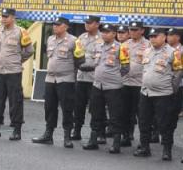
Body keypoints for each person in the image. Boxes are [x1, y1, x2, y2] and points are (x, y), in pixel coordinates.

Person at [33, 16, 81, 147]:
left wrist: (73, 76)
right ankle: (48, 134)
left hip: (65, 79)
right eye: (54, 24)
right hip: (50, 78)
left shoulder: (73, 41)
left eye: (58, 25)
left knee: (67, 108)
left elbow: (79, 61)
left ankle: (67, 136)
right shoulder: (50, 39)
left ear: (66, 26)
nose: (55, 26)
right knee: (49, 107)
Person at [0, 8, 33, 140]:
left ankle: (17, 129)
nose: (3, 19)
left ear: (13, 18)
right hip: (0, 71)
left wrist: (18, 60)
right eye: (2, 16)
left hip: (13, 72)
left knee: (15, 101)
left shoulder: (21, 32)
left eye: (6, 16)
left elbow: (29, 50)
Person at [136, 28, 183, 159]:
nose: (152, 38)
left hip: (163, 94)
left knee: (165, 123)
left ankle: (167, 150)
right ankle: (144, 147)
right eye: (151, 36)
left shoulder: (173, 53)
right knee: (144, 122)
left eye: (156, 36)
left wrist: (171, 89)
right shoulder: (147, 51)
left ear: (164, 37)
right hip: (145, 93)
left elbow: (178, 73)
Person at [83, 23, 129, 152]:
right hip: (97, 85)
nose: (104, 34)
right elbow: (96, 63)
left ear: (114, 34)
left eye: (107, 32)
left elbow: (126, 68)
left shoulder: (121, 48)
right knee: (96, 113)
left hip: (113, 87)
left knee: (115, 115)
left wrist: (115, 77)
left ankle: (116, 143)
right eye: (102, 31)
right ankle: (93, 139)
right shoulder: (98, 46)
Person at [120, 21, 149, 147]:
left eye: (135, 29)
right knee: (125, 112)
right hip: (125, 83)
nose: (132, 32)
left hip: (141, 84)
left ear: (142, 30)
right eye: (131, 29)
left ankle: (143, 141)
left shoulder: (148, 45)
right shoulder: (124, 45)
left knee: (142, 114)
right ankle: (126, 136)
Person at [166, 28, 183, 130]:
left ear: (178, 37)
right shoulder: (163, 48)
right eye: (168, 35)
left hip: (176, 86)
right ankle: (155, 133)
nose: (168, 37)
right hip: (162, 85)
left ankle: (168, 134)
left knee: (172, 112)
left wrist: (174, 76)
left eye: (171, 35)